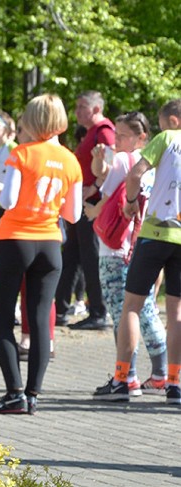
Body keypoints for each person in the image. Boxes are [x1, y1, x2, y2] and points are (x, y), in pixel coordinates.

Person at [0, 94, 82, 414]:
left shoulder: (21, 154)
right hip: (50, 244)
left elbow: (8, 202)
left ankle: (13, 392)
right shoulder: (70, 160)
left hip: (14, 239)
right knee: (41, 320)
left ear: (31, 119)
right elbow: (74, 214)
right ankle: (34, 394)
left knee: (2, 319)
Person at [88, 112, 168, 401]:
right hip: (142, 243)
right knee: (147, 311)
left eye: (122, 135)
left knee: (122, 313)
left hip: (115, 247)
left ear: (140, 137)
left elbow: (104, 192)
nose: (117, 141)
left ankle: (126, 377)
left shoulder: (126, 159)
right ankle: (161, 373)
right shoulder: (157, 165)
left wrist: (93, 212)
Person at [113, 99, 181, 405]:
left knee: (132, 306)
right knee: (176, 312)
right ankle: (174, 383)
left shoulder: (166, 139)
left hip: (154, 233)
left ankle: (121, 379)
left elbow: (135, 174)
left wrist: (130, 202)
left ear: (172, 121)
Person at [56, 90, 114, 330]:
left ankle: (98, 311)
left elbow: (111, 164)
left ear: (96, 109)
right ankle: (59, 309)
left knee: (90, 257)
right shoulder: (92, 133)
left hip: (92, 205)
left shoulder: (104, 132)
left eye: (82, 106)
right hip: (80, 204)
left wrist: (94, 188)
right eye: (77, 106)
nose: (77, 111)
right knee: (71, 255)